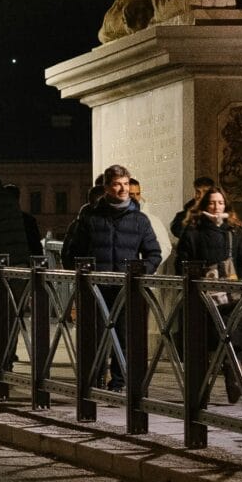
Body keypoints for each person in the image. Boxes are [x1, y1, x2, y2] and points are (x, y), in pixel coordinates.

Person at [63, 164, 161, 391]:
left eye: (126, 184)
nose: (123, 189)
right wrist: (82, 275)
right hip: (95, 287)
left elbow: (153, 253)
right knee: (94, 336)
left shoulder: (140, 220)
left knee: (124, 336)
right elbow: (72, 250)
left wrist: (140, 271)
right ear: (107, 187)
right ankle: (93, 380)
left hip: (125, 287)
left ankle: (119, 382)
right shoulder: (90, 217)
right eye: (117, 184)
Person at [172, 186, 242, 401]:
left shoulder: (235, 231)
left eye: (221, 203)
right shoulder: (192, 231)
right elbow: (182, 263)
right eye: (212, 203)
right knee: (202, 343)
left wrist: (240, 282)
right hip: (202, 296)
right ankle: (201, 388)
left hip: (231, 296)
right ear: (204, 205)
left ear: (226, 205)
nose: (217, 207)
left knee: (232, 339)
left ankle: (232, 378)